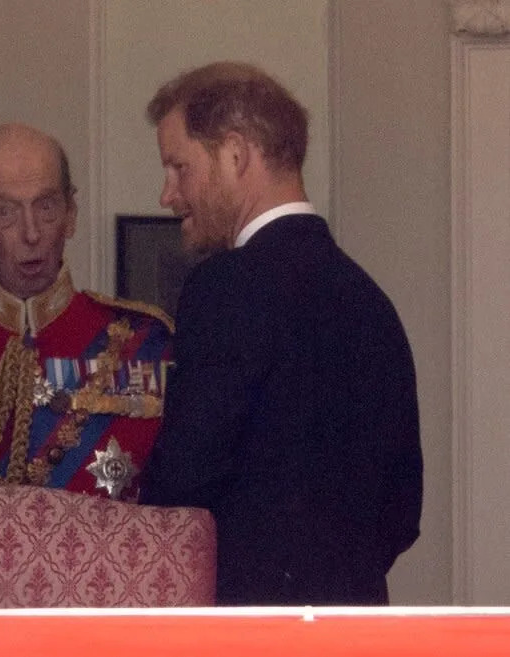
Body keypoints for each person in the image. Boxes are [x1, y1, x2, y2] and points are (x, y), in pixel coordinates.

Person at [138, 62, 423, 605]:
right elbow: (402, 511)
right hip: (359, 629)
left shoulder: (225, 285)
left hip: (247, 628)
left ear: (236, 154)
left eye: (179, 167)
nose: (167, 194)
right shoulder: (372, 301)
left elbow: (181, 483)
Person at [0, 123, 173, 500]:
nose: (32, 233)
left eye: (46, 207)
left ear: (71, 213)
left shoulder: (145, 341)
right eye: (5, 212)